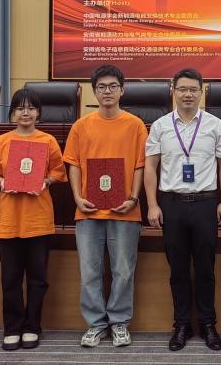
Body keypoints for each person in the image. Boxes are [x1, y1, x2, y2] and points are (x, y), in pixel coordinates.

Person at [145, 68, 221, 351]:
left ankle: (208, 324)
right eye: (182, 89)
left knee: (206, 269)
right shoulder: (160, 126)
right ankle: (181, 324)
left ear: (201, 91)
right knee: (178, 270)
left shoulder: (215, 125)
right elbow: (150, 166)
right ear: (173, 91)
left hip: (206, 203)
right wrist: (153, 204)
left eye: (193, 89)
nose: (188, 94)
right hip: (171, 204)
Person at [63, 64, 147, 348]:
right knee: (90, 272)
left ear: (122, 90)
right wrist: (77, 197)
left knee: (123, 270)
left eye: (113, 86)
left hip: (126, 211)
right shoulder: (81, 126)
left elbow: (140, 166)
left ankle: (119, 322)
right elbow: (74, 165)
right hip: (88, 210)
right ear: (94, 91)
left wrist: (133, 198)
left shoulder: (135, 125)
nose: (107, 91)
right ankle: (96, 324)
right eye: (101, 87)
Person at [0, 89, 66, 351]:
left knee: (38, 279)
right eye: (20, 108)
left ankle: (32, 327)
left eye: (31, 108)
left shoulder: (48, 141)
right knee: (10, 279)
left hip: (39, 220)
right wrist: (4, 182)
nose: (26, 113)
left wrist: (45, 181)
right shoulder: (2, 141)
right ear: (12, 114)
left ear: (38, 113)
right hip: (8, 221)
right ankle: (12, 328)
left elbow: (59, 171)